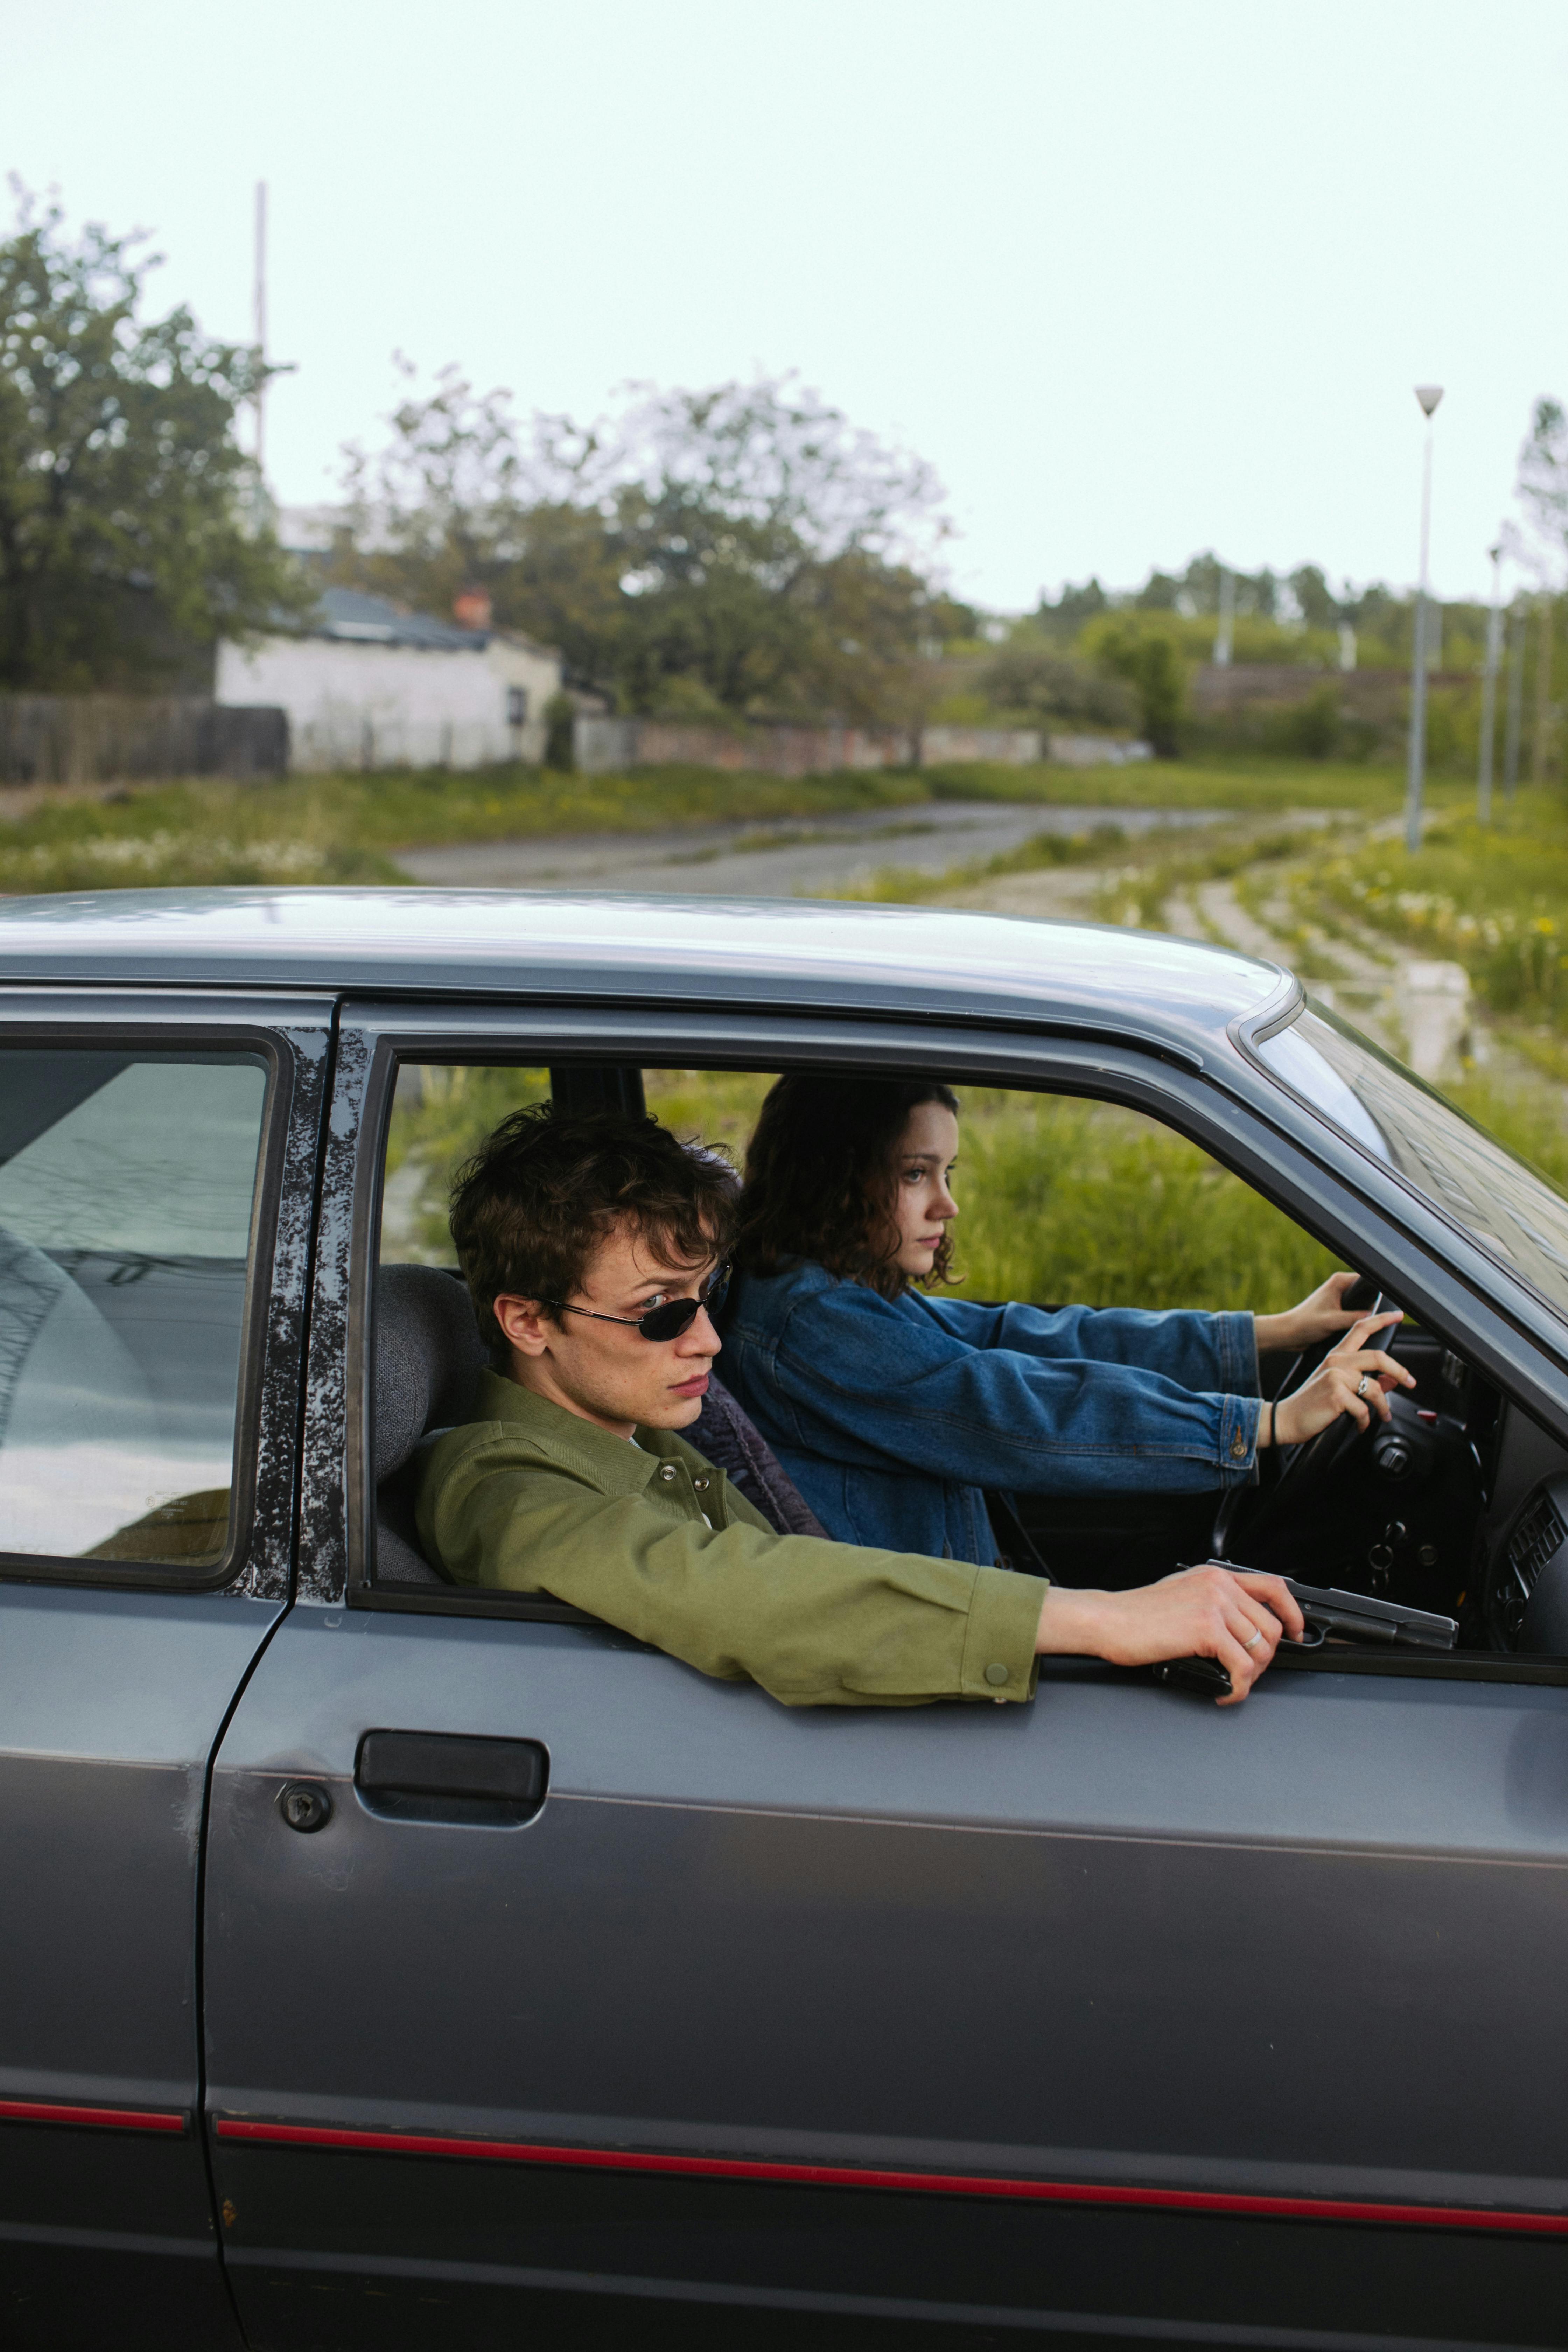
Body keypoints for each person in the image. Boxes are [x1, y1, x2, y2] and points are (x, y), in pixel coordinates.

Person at [415, 1102, 1306, 1708]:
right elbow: (742, 1592)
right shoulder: (503, 1489)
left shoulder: (630, 1426)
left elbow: (1003, 1339)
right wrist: (1100, 1617)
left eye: (707, 1295)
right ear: (526, 1321)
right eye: (663, 1312)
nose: (709, 1340)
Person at [719, 1074, 1414, 1564]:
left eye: (947, 1172)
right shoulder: (808, 1324)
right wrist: (1263, 1424)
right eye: (913, 1174)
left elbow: (1015, 1337)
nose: (946, 1204)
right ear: (837, 1176)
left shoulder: (829, 1286)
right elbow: (1005, 1411)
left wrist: (1266, 1333)